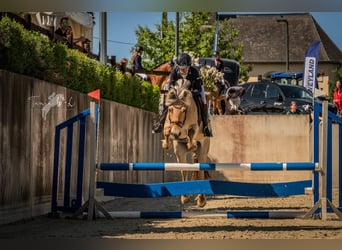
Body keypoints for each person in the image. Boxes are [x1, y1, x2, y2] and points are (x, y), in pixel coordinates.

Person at [152, 52, 212, 137]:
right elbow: (171, 84)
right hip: (178, 91)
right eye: (181, 68)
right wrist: (174, 91)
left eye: (185, 68)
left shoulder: (194, 72)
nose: (182, 70)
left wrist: (190, 93)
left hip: (193, 90)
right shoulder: (175, 71)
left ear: (189, 66)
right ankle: (160, 123)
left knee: (203, 101)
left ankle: (205, 126)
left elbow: (198, 89)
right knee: (167, 102)